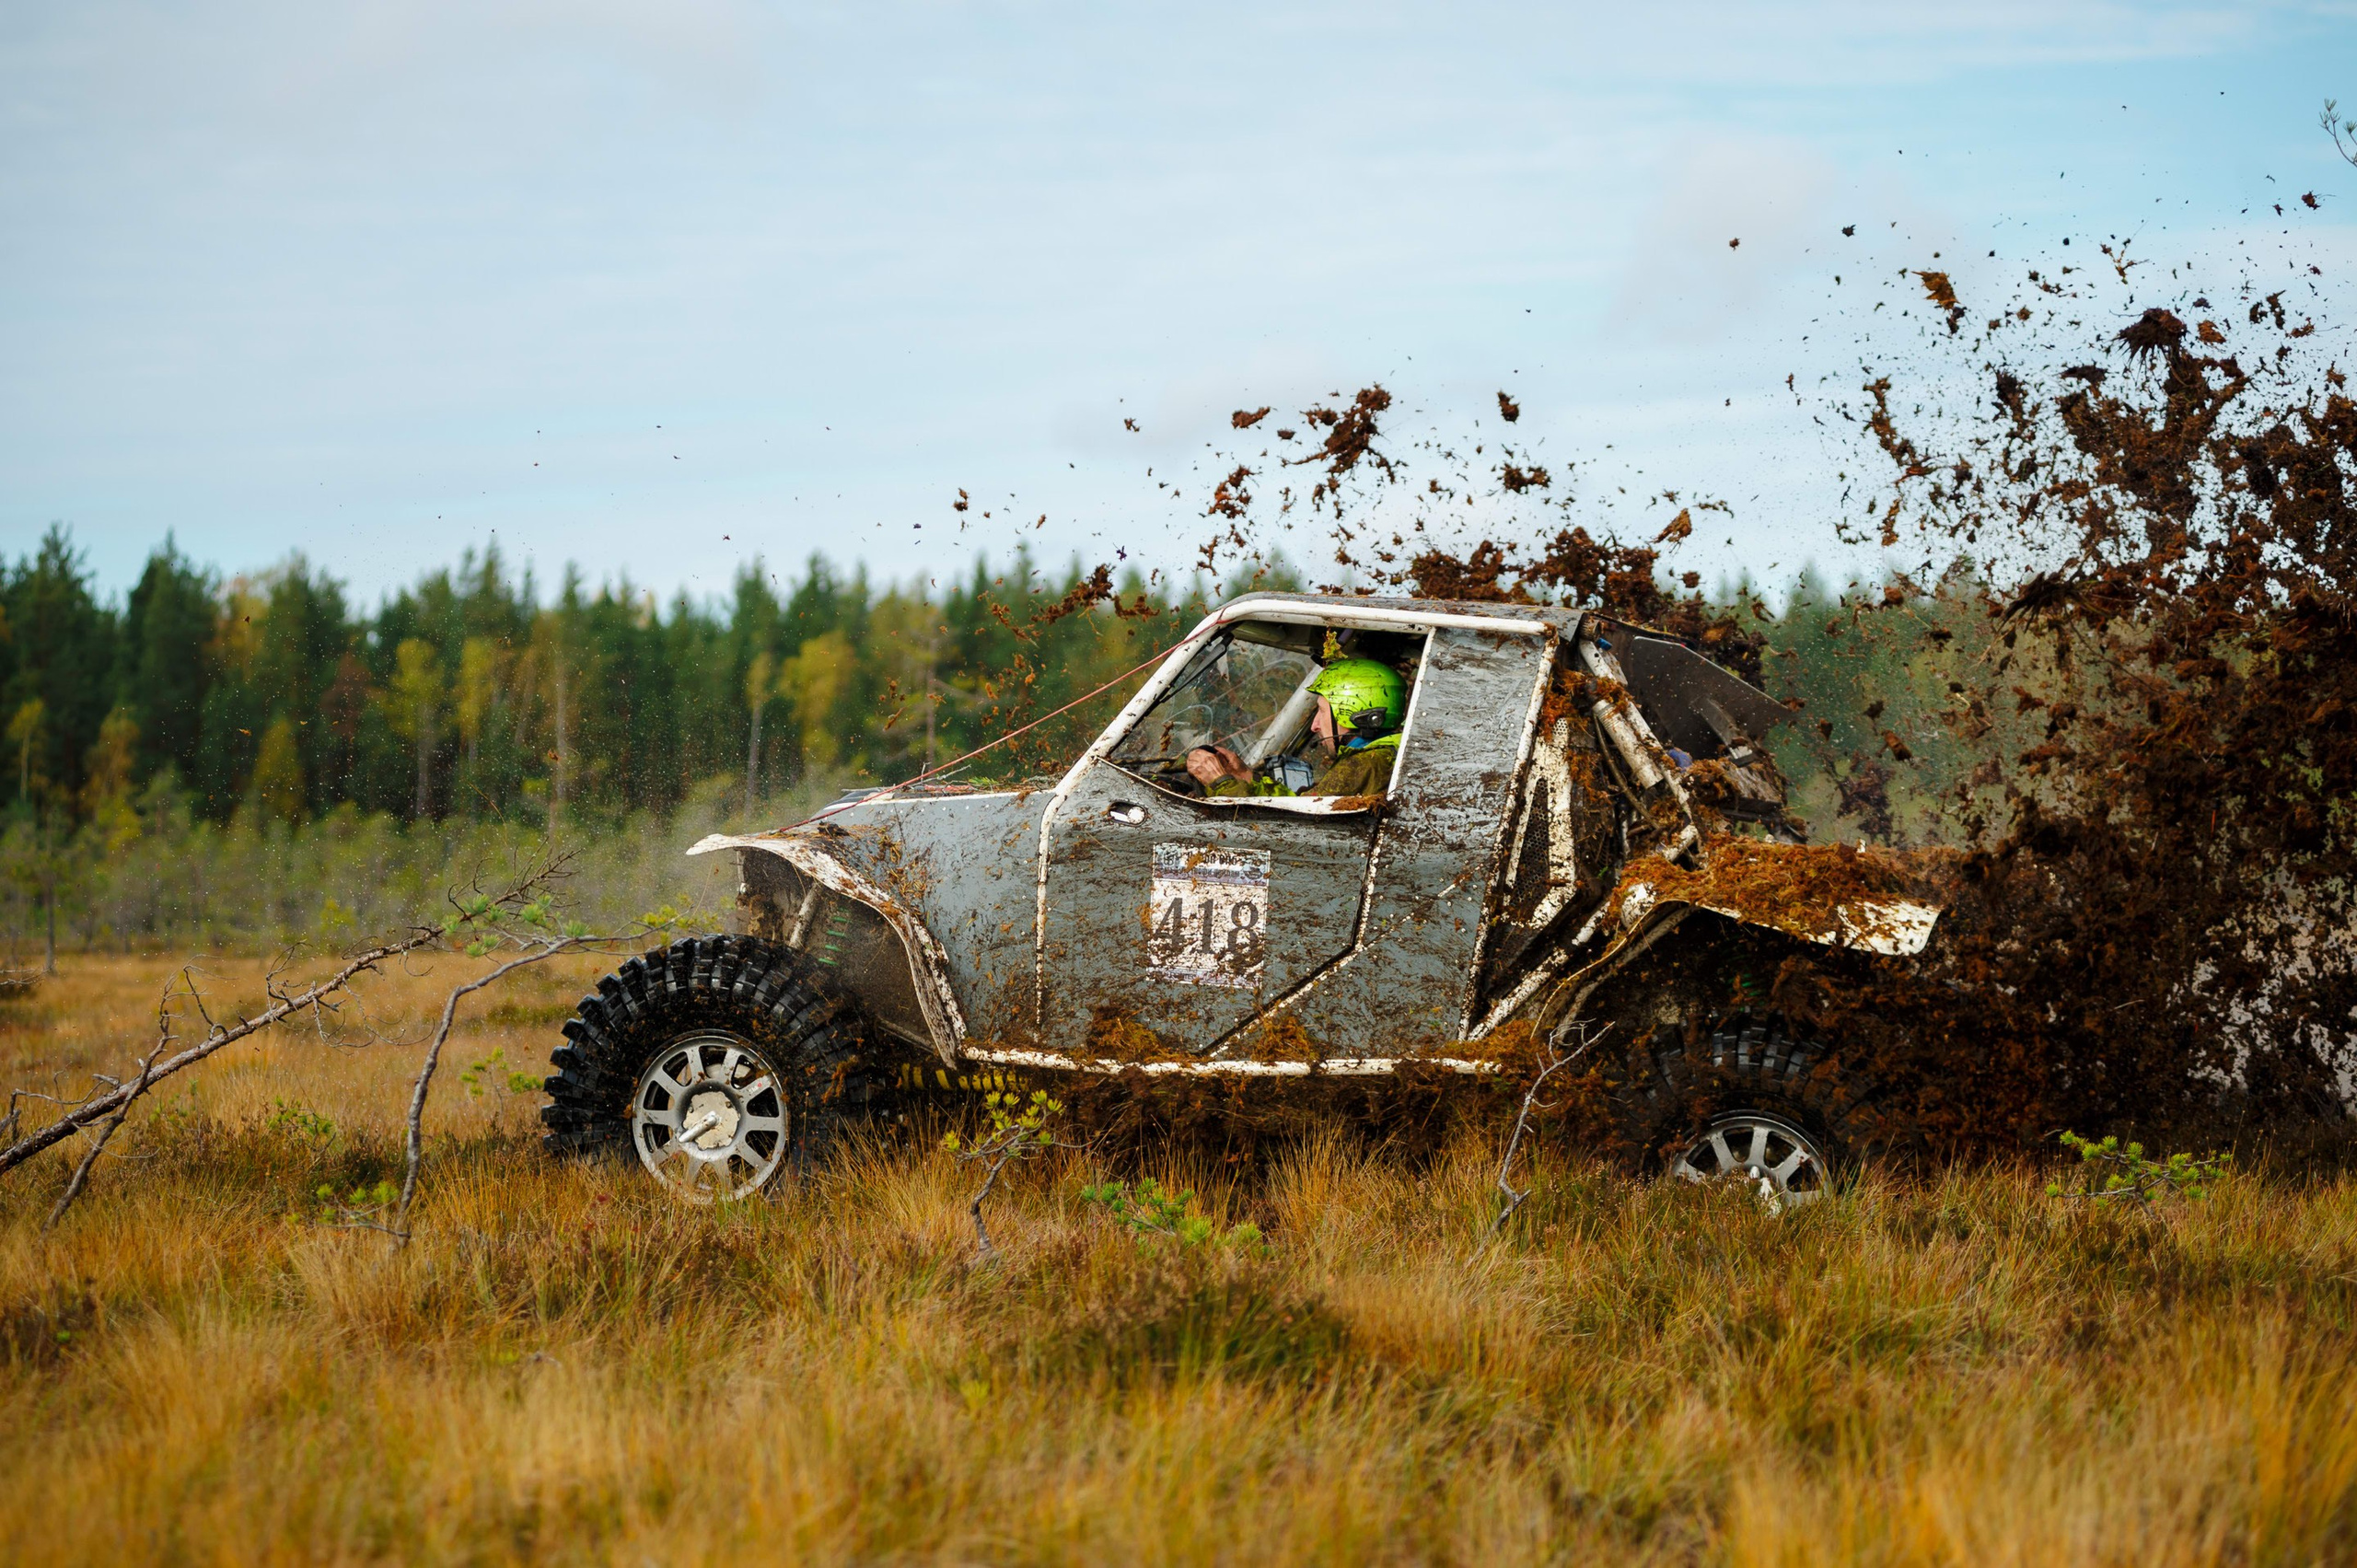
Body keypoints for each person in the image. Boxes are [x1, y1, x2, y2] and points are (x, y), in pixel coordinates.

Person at [1184, 657, 1407, 799]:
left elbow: (1288, 830)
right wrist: (1245, 776)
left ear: (1356, 713)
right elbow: (1301, 806)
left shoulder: (1364, 765)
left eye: (1321, 711)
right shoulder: (1380, 758)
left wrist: (1222, 783)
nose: (1315, 725)